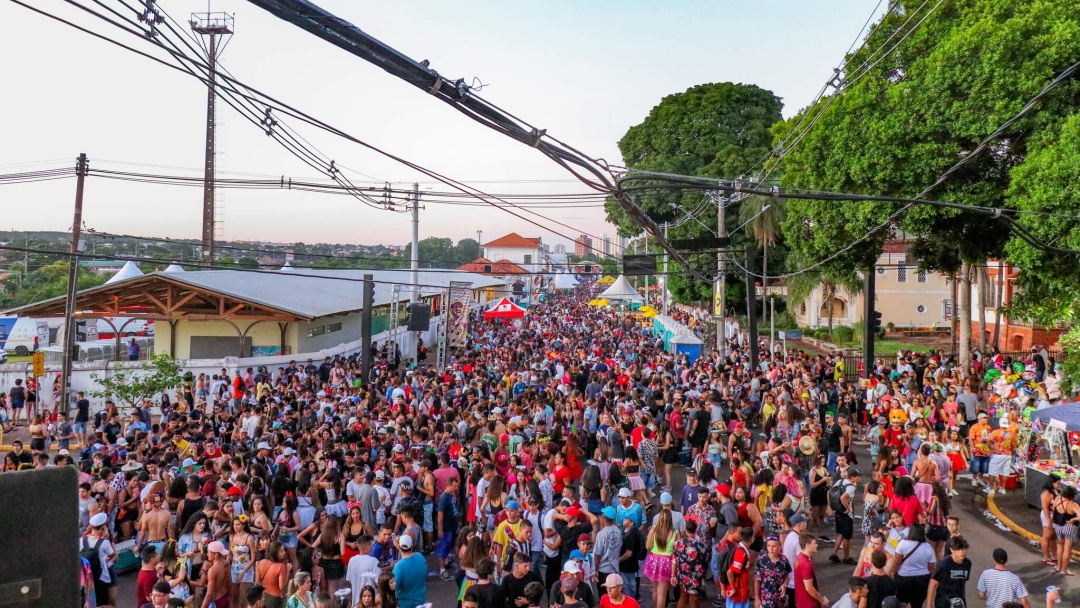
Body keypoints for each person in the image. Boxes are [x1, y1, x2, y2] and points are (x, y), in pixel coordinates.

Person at [926, 536, 971, 608]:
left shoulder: (967, 563)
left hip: (960, 601)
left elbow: (962, 582)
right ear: (952, 550)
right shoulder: (944, 564)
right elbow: (933, 584)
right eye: (958, 549)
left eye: (963, 549)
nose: (962, 552)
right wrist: (928, 605)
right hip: (943, 602)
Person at [828, 469, 859, 566]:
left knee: (841, 534)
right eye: (857, 476)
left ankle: (834, 554)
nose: (859, 478)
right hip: (845, 514)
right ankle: (846, 557)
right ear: (852, 477)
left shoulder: (840, 481)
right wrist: (848, 508)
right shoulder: (851, 487)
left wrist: (830, 506)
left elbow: (829, 492)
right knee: (846, 537)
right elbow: (842, 498)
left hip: (838, 511)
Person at [754, 534, 791, 608]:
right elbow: (757, 580)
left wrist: (784, 584)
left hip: (780, 599)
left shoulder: (784, 560)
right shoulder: (761, 560)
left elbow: (787, 576)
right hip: (766, 600)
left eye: (774, 546)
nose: (771, 549)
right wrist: (757, 598)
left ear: (779, 547)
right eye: (769, 546)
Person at [391, 532, 427, 608]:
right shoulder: (420, 557)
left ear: (399, 547)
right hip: (421, 600)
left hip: (405, 604)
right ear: (412, 546)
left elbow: (394, 586)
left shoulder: (399, 566)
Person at [794, 533, 828, 608]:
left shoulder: (799, 558)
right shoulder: (806, 565)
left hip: (801, 602)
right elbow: (809, 588)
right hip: (809, 603)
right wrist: (822, 600)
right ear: (808, 545)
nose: (817, 545)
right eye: (814, 543)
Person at [202, 540, 231, 608]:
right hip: (225, 597)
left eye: (209, 552)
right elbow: (229, 584)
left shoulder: (213, 570)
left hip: (217, 601)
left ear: (215, 554)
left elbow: (209, 594)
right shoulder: (226, 563)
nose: (207, 554)